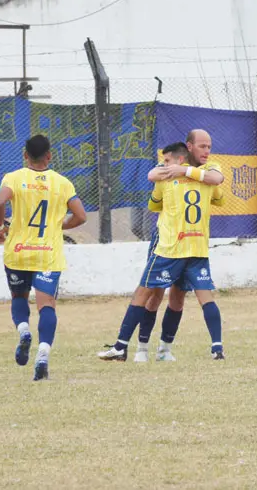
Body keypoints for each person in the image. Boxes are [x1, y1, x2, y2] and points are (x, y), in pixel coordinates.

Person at [99, 133, 227, 361]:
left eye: (209, 146)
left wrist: (181, 173)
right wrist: (170, 171)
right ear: (189, 148)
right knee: (156, 295)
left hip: (173, 247)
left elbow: (153, 203)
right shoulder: (193, 174)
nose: (207, 151)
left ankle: (155, 349)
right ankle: (141, 348)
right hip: (188, 245)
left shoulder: (205, 171)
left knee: (164, 295)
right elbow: (218, 194)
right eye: (202, 146)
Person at [0, 134, 87, 381]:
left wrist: (0, 227)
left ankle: (24, 330)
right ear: (49, 156)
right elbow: (81, 216)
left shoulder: (14, 178)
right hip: (48, 255)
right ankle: (43, 354)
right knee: (47, 306)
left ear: (25, 156)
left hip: (18, 253)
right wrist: (60, 226)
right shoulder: (62, 183)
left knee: (19, 296)